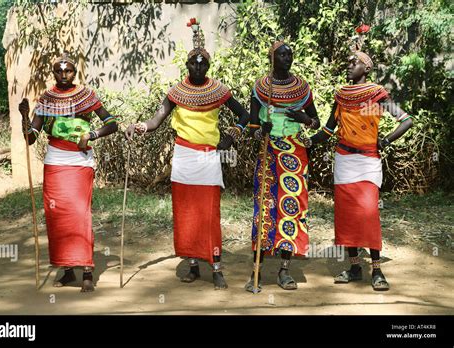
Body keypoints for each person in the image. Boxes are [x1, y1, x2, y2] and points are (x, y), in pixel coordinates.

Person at [125, 18, 250, 290]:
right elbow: (156, 120)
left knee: (209, 213)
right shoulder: (176, 92)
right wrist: (139, 127)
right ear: (186, 65)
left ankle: (216, 266)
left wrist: (232, 135)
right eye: (193, 62)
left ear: (208, 65)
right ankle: (193, 264)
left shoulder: (218, 91)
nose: (197, 66)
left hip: (208, 159)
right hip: (184, 157)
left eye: (202, 63)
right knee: (186, 213)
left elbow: (244, 115)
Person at [308, 42, 414, 291]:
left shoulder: (377, 93)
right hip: (344, 161)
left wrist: (385, 140)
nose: (349, 66)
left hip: (367, 163)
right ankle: (355, 267)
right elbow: (327, 130)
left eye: (353, 63)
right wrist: (307, 143)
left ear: (366, 68)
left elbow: (406, 120)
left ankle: (376, 270)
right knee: (346, 218)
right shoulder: (341, 95)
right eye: (348, 63)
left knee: (368, 216)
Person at [19, 52, 118, 292]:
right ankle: (66, 269)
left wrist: (90, 135)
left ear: (75, 72)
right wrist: (24, 116)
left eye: (69, 71)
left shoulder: (86, 96)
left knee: (79, 212)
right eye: (59, 71)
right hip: (55, 162)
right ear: (53, 73)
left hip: (80, 161)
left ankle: (86, 268)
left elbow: (112, 123)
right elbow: (31, 137)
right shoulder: (46, 99)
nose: (64, 75)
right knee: (58, 215)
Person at [244, 41, 320, 292]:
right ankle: (256, 270)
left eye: (290, 54)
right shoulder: (260, 88)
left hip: (296, 152)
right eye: (283, 54)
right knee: (264, 207)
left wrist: (304, 118)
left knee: (292, 206)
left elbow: (316, 122)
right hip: (269, 150)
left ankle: (285, 271)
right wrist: (260, 130)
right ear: (272, 58)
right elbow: (253, 127)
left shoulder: (302, 88)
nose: (288, 58)